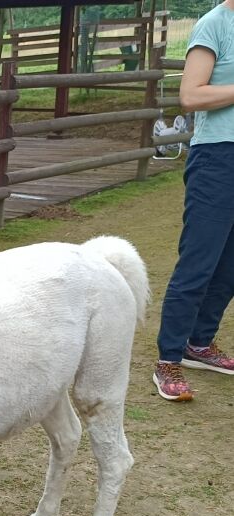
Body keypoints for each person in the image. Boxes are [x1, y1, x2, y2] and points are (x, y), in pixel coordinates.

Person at [153, 0, 234, 402]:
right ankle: (168, 358)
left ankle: (199, 344)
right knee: (199, 261)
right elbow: (190, 95)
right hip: (218, 157)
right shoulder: (215, 24)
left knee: (230, 264)